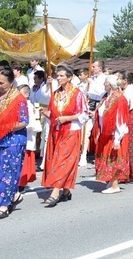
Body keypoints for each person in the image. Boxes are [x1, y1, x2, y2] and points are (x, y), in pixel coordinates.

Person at [0, 66, 28, 220]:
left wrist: (4, 128)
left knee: (8, 174)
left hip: (12, 141)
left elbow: (24, 121)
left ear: (11, 82)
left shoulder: (18, 99)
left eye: (2, 83)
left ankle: (4, 205)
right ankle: (14, 195)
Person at [41, 64, 88, 206]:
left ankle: (55, 192)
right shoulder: (55, 93)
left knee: (63, 160)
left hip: (71, 131)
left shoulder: (77, 93)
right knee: (56, 159)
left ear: (69, 77)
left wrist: (67, 118)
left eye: (62, 75)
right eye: (58, 75)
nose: (59, 78)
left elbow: (84, 114)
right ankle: (66, 191)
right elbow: (53, 113)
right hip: (56, 131)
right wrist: (45, 113)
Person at [94, 75, 129, 194]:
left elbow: (121, 120)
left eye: (105, 83)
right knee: (106, 157)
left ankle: (115, 185)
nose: (103, 85)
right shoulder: (105, 97)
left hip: (115, 134)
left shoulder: (120, 99)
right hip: (105, 132)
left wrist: (117, 139)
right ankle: (110, 181)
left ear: (110, 85)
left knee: (113, 158)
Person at [17, 85, 38, 193]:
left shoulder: (28, 106)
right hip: (21, 136)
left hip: (26, 136)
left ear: (26, 94)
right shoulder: (21, 105)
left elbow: (30, 123)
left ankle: (22, 184)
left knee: (24, 161)